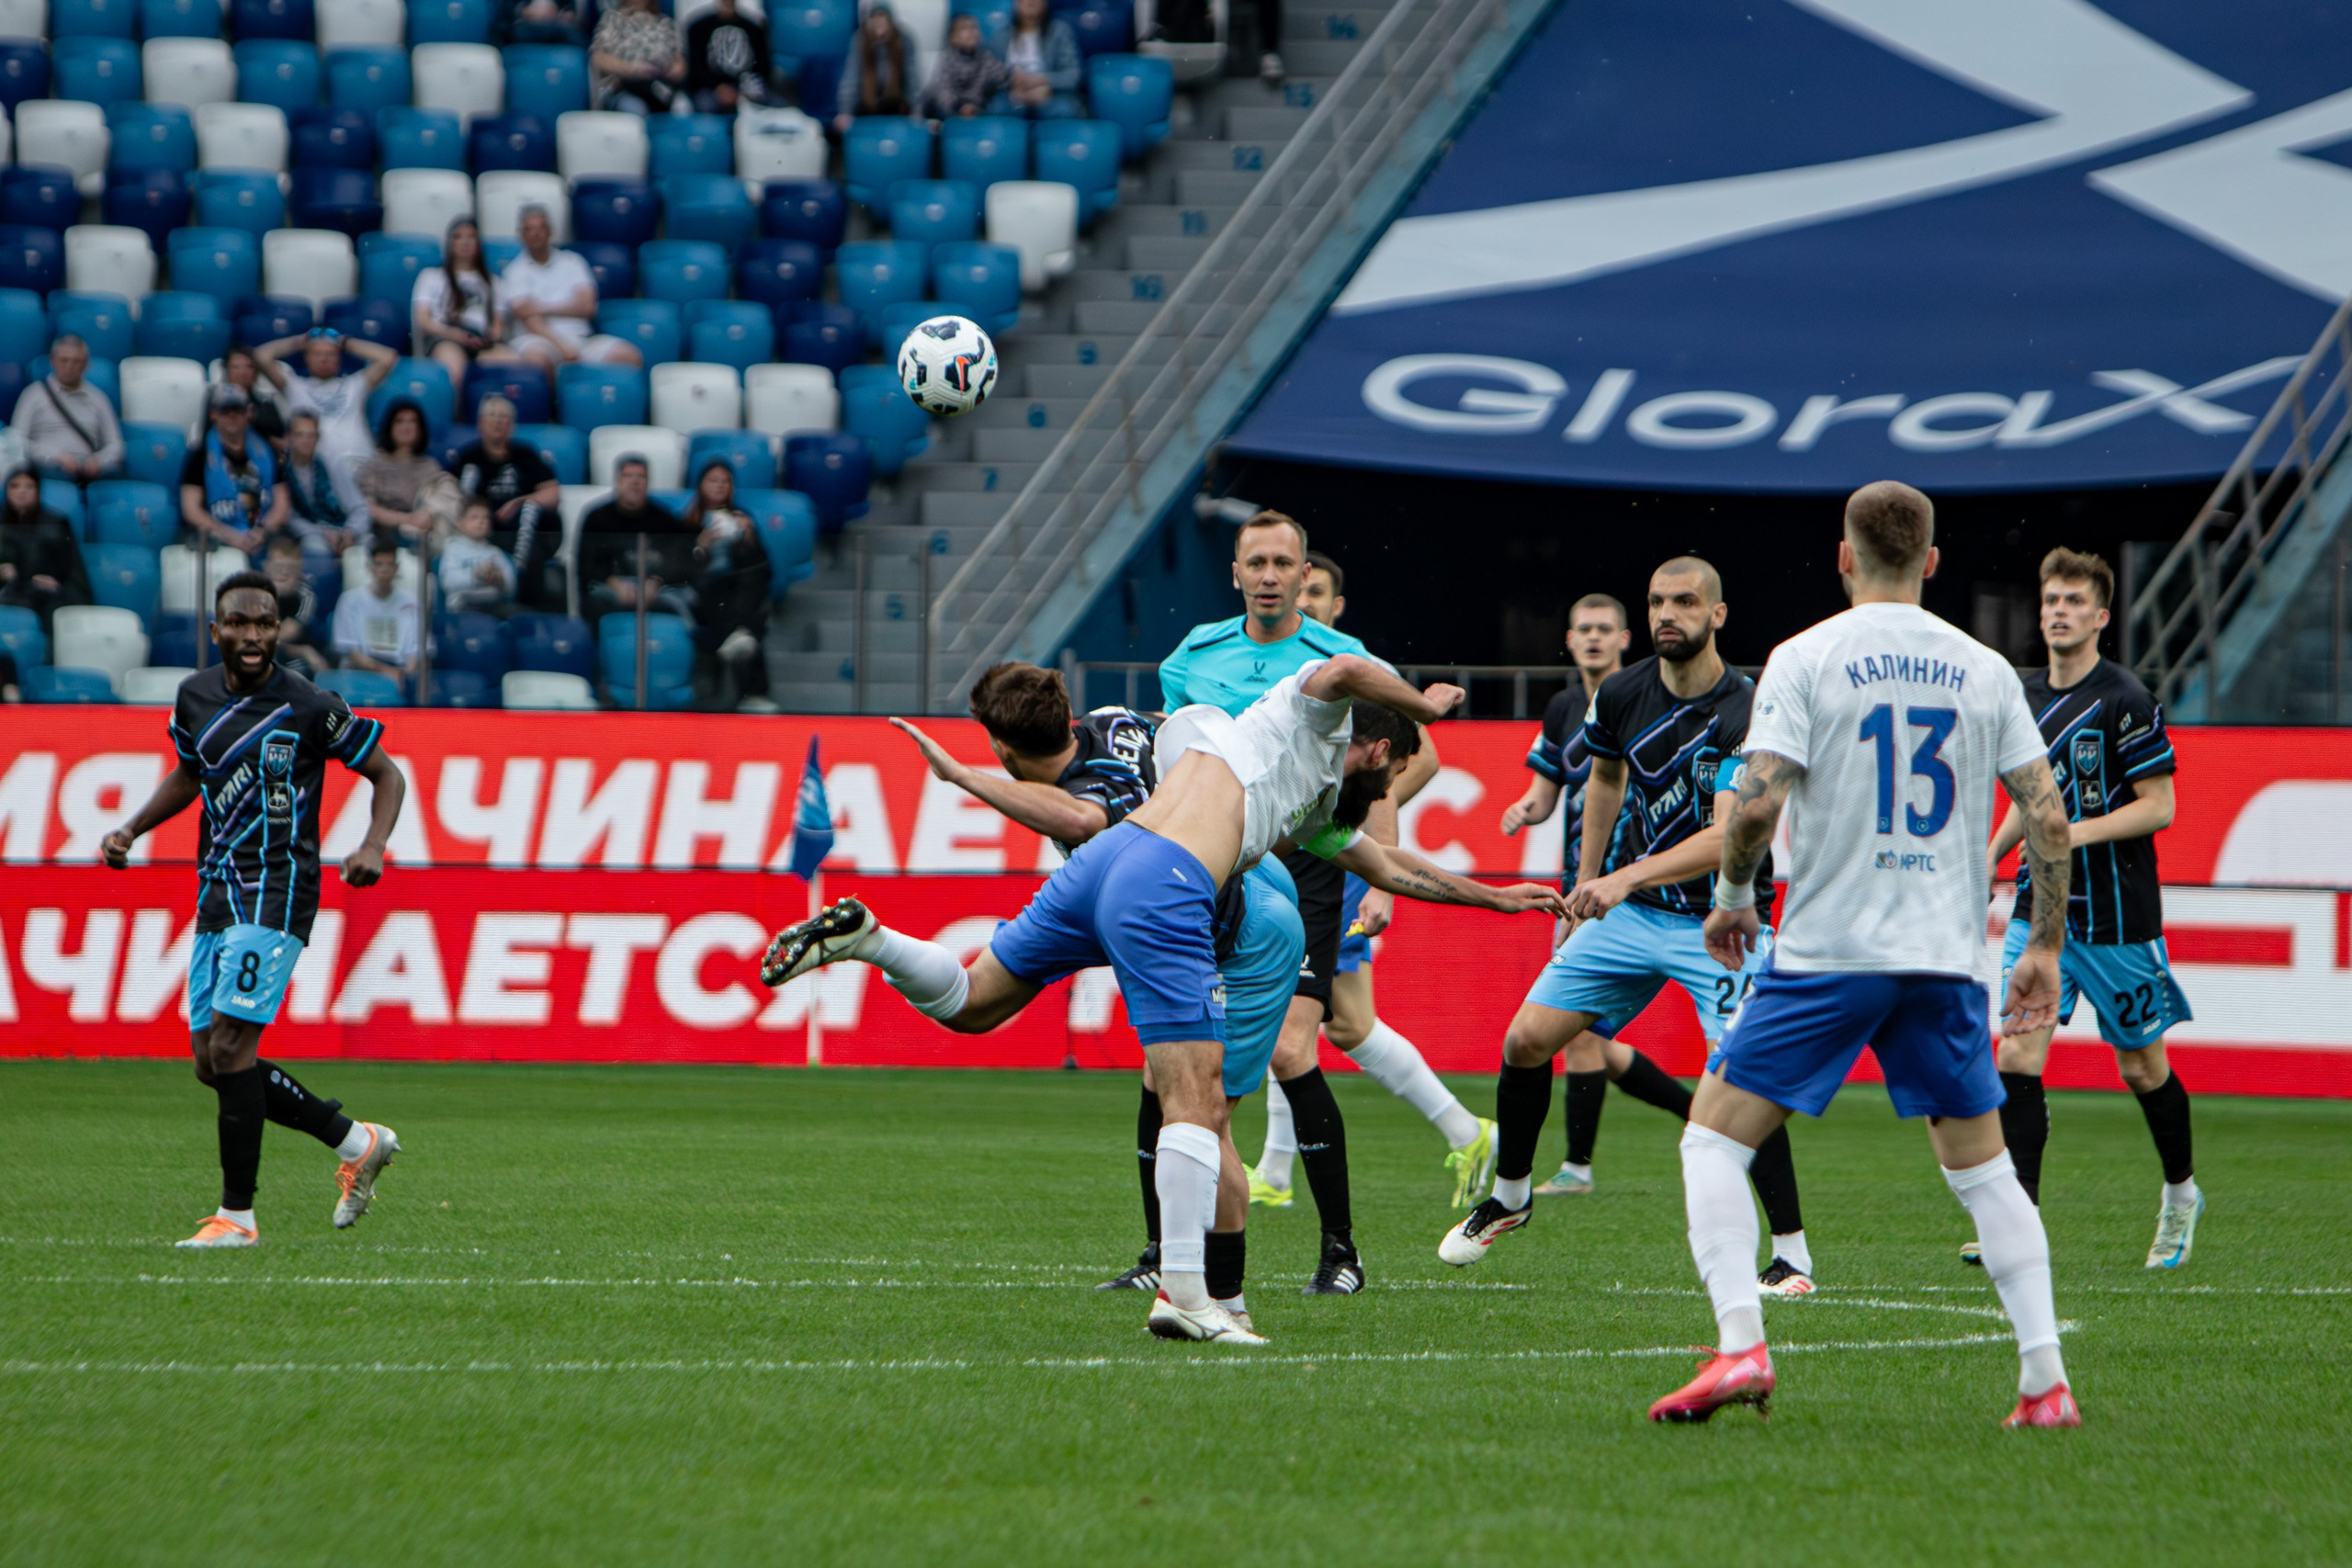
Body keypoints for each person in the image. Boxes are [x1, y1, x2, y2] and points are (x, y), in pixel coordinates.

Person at [763, 656, 1564, 1344]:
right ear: (1374, 746)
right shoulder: (1308, 714)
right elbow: (1346, 674)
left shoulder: (1313, 799)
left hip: (1108, 858)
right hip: (1169, 883)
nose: (1389, 785)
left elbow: (1388, 867)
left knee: (973, 1000)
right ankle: (1186, 1296)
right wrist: (1431, 705)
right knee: (1195, 1098)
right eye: (1390, 770)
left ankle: (871, 938)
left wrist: (1498, 901)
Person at [1651, 480, 2079, 1429]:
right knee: (1983, 1170)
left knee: (1713, 1141)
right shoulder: (1984, 669)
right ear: (1931, 562)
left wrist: (1728, 898)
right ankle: (2044, 1384)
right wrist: (2042, 946)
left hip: (1832, 952)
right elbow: (2048, 816)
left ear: (1843, 558)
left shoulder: (1805, 657)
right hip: (1942, 956)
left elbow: (1756, 804)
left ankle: (1738, 1348)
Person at [1437, 558, 1815, 1300]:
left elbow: (1729, 834)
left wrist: (1624, 875)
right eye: (1656, 602)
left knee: (1748, 1076)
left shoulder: (1750, 709)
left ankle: (1794, 1255)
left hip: (1721, 925)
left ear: (1718, 614)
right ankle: (1512, 1196)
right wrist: (1587, 881)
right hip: (1634, 916)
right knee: (1526, 1040)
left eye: (1684, 601)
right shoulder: (1620, 691)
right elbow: (1603, 779)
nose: (1667, 613)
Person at [888, 663, 1306, 1311]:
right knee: (1164, 1086)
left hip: (1239, 925)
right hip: (1223, 879)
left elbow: (1082, 817)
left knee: (1206, 1112)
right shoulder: (1112, 718)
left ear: (1002, 747)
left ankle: (1219, 1294)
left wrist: (966, 778)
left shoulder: (1084, 802)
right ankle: (1167, 1261)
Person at [1159, 513, 1481, 1294]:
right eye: (1255, 562)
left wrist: (1376, 865)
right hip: (1217, 866)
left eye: (1284, 563)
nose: (1270, 575)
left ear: (1307, 577)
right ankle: (1159, 1253)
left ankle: (1341, 1251)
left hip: (1306, 863)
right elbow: (1178, 763)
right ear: (1234, 573)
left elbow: (1397, 757)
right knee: (1167, 1062)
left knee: (1293, 1049)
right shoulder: (1190, 656)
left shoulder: (1345, 659)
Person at [99, 570, 409, 1249]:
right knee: (211, 1061)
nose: (252, 635)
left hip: (277, 890)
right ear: (216, 630)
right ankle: (357, 1141)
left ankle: (236, 1217)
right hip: (216, 889)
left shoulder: (306, 704)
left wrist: (373, 843)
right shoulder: (194, 695)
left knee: (235, 1045)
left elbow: (388, 772)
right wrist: (131, 828)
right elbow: (191, 773)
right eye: (238, 622)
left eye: (264, 623)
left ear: (278, 630)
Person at [1250, 548, 1499, 1214]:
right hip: (1295, 854)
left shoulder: (1350, 663)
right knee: (1328, 1022)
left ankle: (1462, 1130)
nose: (1311, 600)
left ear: (1330, 598)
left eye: (1321, 589)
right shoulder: (1238, 654)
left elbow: (1413, 760)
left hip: (1331, 869)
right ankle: (1281, 1166)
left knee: (1327, 1022)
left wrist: (1368, 851)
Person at [1979, 547, 2200, 1270]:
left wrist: (2066, 834)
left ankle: (2180, 1194)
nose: (2059, 611)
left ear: (2102, 616)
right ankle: (2019, 1223)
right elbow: (2028, 795)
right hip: (2039, 911)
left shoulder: (2126, 697)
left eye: (2074, 601)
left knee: (2141, 1067)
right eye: (2051, 600)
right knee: (2017, 1050)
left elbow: (2159, 807)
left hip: (2117, 916)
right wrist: (1990, 855)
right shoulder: (2023, 695)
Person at [1499, 593, 1708, 1202]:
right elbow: (1546, 792)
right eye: (1583, 629)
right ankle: (1698, 1112)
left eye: (1604, 629)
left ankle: (1579, 1167)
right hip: (1581, 886)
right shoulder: (1565, 706)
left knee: (1583, 1039)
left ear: (1625, 638)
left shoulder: (1644, 697)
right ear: (1569, 639)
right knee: (1591, 1042)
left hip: (1638, 887)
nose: (1593, 638)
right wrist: (1524, 809)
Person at [254, 329, 401, 511]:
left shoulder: (354, 384)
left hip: (360, 469)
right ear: (306, 357)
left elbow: (388, 357)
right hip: (316, 475)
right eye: (317, 354)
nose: (324, 359)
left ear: (339, 358)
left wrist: (345, 343)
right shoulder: (295, 386)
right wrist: (300, 341)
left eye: (331, 354)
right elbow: (261, 356)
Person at [678, 459, 773, 711]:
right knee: (737, 609)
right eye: (713, 481)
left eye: (725, 481)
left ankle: (739, 635)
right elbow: (679, 570)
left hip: (738, 591)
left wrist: (749, 540)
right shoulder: (687, 522)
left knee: (749, 583)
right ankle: (755, 692)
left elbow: (763, 568)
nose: (720, 486)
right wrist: (700, 547)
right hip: (704, 593)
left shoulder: (743, 518)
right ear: (700, 486)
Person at [502, 207, 645, 370]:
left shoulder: (573, 261)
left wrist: (540, 307)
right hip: (538, 340)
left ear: (550, 231)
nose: (536, 234)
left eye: (541, 228)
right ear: (521, 234)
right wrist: (562, 346)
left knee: (629, 356)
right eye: (530, 229)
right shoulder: (514, 271)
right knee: (536, 360)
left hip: (581, 339)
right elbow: (528, 318)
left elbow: (587, 306)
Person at [452, 395, 561, 606]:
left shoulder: (525, 454)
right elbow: (455, 498)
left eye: (504, 417)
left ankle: (516, 574)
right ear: (480, 423)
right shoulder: (469, 458)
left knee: (529, 511)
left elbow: (552, 495)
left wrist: (518, 502)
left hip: (531, 531)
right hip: (487, 532)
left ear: (512, 425)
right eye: (492, 415)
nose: (498, 421)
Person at [581, 457, 695, 623]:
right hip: (611, 588)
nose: (635, 482)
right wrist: (614, 584)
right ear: (617, 481)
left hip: (657, 589)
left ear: (648, 482)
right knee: (596, 600)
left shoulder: (665, 520)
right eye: (628, 476)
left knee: (684, 599)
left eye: (641, 477)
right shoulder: (597, 518)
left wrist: (656, 582)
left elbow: (678, 560)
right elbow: (586, 564)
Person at [179, 385, 290, 554]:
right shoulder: (200, 454)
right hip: (219, 538)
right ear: (213, 414)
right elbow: (191, 509)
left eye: (238, 410)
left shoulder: (266, 450)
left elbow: (282, 502)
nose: (232, 416)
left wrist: (263, 531)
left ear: (249, 413)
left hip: (264, 537)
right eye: (225, 410)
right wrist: (229, 535)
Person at [413, 218, 514, 388]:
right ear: (449, 243)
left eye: (471, 237)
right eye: (458, 237)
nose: (465, 242)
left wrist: (489, 338)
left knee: (518, 367)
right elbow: (424, 321)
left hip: (479, 339)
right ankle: (456, 414)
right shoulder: (430, 276)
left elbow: (498, 324)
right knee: (455, 373)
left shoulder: (493, 282)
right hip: (444, 337)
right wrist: (455, 335)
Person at [13, 335, 123, 484]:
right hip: (46, 468)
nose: (70, 366)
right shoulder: (33, 394)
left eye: (76, 361)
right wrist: (54, 457)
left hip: (88, 472)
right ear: (52, 361)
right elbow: (16, 440)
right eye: (64, 360)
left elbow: (115, 444)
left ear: (86, 364)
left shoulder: (98, 398)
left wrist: (99, 461)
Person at [0, 465, 91, 631]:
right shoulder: (2, 526)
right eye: (15, 486)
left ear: (38, 491)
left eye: (28, 486)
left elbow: (74, 574)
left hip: (48, 599)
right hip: (10, 596)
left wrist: (58, 586)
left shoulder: (57, 524)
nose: (21, 491)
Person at [355, 400, 451, 548]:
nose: (406, 426)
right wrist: (407, 519)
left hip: (425, 535)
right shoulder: (374, 465)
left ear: (420, 428)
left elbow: (442, 501)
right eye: (399, 421)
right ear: (390, 426)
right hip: (385, 540)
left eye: (412, 421)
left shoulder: (430, 466)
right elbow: (368, 508)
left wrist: (427, 515)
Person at [332, 535, 423, 680]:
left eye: (389, 564)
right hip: (360, 673)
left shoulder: (412, 602)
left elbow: (417, 650)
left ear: (397, 568)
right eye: (379, 564)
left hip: (400, 670)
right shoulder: (350, 600)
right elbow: (352, 653)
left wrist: (405, 676)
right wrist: (389, 673)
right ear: (369, 566)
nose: (384, 570)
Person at [279, 411, 361, 560]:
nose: (306, 440)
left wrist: (351, 532)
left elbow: (358, 507)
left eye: (311, 435)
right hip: (308, 535)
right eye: (300, 435)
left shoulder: (331, 465)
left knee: (363, 551)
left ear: (318, 438)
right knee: (315, 547)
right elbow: (288, 517)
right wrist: (323, 533)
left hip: (343, 530)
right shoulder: (281, 469)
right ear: (290, 437)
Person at [989, 0, 1081, 118]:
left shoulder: (1060, 31)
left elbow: (1073, 76)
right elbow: (989, 76)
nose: (1031, 1)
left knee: (1064, 109)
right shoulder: (1001, 37)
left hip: (1051, 95)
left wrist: (1041, 81)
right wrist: (1013, 86)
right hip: (1012, 96)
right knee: (996, 107)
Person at [592, 0, 687, 115]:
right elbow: (598, 58)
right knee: (636, 108)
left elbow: (680, 68)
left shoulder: (666, 23)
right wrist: (634, 69)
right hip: (623, 89)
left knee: (683, 107)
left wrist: (663, 71)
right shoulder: (612, 19)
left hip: (659, 86)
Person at [834, 1, 916, 131]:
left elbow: (913, 76)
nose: (879, 21)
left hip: (896, 104)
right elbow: (851, 77)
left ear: (891, 20)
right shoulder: (859, 39)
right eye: (874, 17)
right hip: (867, 105)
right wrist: (845, 111)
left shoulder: (904, 39)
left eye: (882, 16)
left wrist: (916, 109)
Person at [686, 0, 775, 112]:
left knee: (775, 106)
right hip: (711, 89)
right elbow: (696, 68)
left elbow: (763, 67)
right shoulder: (698, 27)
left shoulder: (753, 28)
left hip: (745, 87)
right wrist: (718, 88)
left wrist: (741, 92)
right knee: (705, 104)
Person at [260, 533, 331, 674]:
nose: (283, 573)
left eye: (290, 568)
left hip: (293, 660)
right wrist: (304, 651)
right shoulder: (256, 594)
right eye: (278, 567)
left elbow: (287, 633)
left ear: (300, 569)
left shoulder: (306, 595)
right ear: (266, 568)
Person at [921, 13, 1010, 119]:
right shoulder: (947, 59)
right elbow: (943, 91)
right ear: (953, 37)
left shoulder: (986, 57)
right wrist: (959, 108)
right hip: (950, 111)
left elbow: (1003, 77)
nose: (971, 32)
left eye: (974, 27)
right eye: (964, 29)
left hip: (977, 109)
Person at [439, 496, 518, 615]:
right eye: (474, 517)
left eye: (486, 518)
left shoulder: (495, 552)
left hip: (495, 607)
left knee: (524, 620)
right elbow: (448, 582)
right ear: (460, 523)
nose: (481, 521)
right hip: (463, 608)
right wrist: (475, 575)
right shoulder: (453, 548)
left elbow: (512, 588)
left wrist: (499, 578)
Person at [219, 346, 288, 451]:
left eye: (249, 367)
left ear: (256, 371)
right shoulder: (216, 399)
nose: (242, 372)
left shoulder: (265, 402)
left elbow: (278, 431)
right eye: (235, 367)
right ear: (227, 370)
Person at [496, 0, 587, 47]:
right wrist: (526, 11)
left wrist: (558, 14)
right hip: (526, 25)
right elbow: (508, 11)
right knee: (516, 33)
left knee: (576, 37)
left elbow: (570, 11)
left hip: (556, 25)